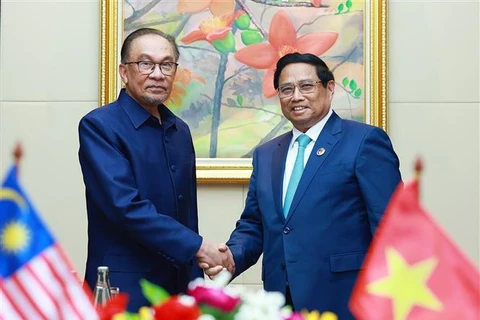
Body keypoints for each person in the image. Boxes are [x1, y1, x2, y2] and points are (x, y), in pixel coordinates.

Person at [204, 52, 402, 319]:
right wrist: (230, 259)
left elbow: (392, 226)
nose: (296, 96)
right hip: (281, 301)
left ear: (329, 88)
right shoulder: (266, 154)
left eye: (306, 86)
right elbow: (254, 225)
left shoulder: (364, 141)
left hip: (347, 300)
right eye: (286, 89)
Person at [78, 28, 233, 311]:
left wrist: (196, 272)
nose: (158, 74)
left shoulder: (179, 131)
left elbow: (188, 214)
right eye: (146, 63)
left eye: (166, 64)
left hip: (179, 284)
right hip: (124, 288)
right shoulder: (100, 126)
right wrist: (198, 247)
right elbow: (124, 206)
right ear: (124, 72)